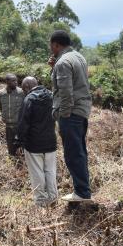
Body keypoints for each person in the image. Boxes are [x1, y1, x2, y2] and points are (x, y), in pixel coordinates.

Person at [49, 30, 93, 203]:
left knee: (73, 153)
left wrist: (63, 116)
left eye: (51, 44)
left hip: (71, 113)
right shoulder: (78, 57)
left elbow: (66, 93)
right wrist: (54, 68)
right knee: (79, 151)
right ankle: (83, 190)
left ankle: (82, 192)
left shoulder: (63, 63)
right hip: (81, 111)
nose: (50, 48)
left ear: (56, 45)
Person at [15, 77, 58, 207]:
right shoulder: (51, 96)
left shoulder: (29, 99)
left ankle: (41, 201)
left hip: (33, 144)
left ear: (27, 87)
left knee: (37, 172)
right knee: (50, 171)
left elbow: (23, 123)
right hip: (50, 142)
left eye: (23, 89)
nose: (23, 92)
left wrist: (19, 142)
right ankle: (53, 197)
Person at [0, 73, 24, 156]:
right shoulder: (1, 94)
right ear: (7, 82)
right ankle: (12, 158)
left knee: (22, 142)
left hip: (19, 124)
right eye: (13, 81)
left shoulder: (21, 92)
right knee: (10, 143)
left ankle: (23, 158)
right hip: (8, 124)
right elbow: (1, 107)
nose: (16, 82)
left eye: (16, 80)